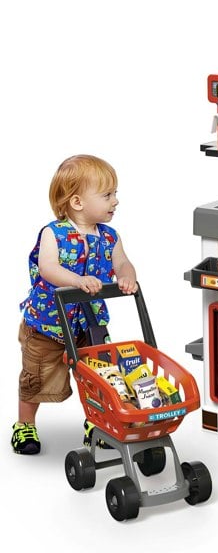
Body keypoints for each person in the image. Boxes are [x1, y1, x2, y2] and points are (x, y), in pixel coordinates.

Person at [11, 155, 137, 455]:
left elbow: (122, 262)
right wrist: (78, 281)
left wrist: (127, 276)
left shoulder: (109, 237)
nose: (115, 201)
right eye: (107, 195)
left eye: (115, 193)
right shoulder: (53, 234)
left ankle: (97, 421)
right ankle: (25, 424)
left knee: (100, 374)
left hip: (89, 325)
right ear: (77, 202)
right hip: (48, 326)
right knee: (36, 376)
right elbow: (48, 268)